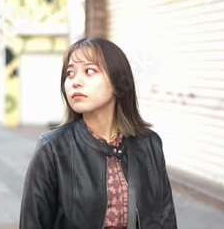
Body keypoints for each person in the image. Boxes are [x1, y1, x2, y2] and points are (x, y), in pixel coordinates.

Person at [20, 38, 177, 228]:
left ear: (118, 80)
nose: (75, 82)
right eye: (69, 73)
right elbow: (33, 223)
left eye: (89, 71)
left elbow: (166, 216)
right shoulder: (53, 148)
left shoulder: (149, 144)